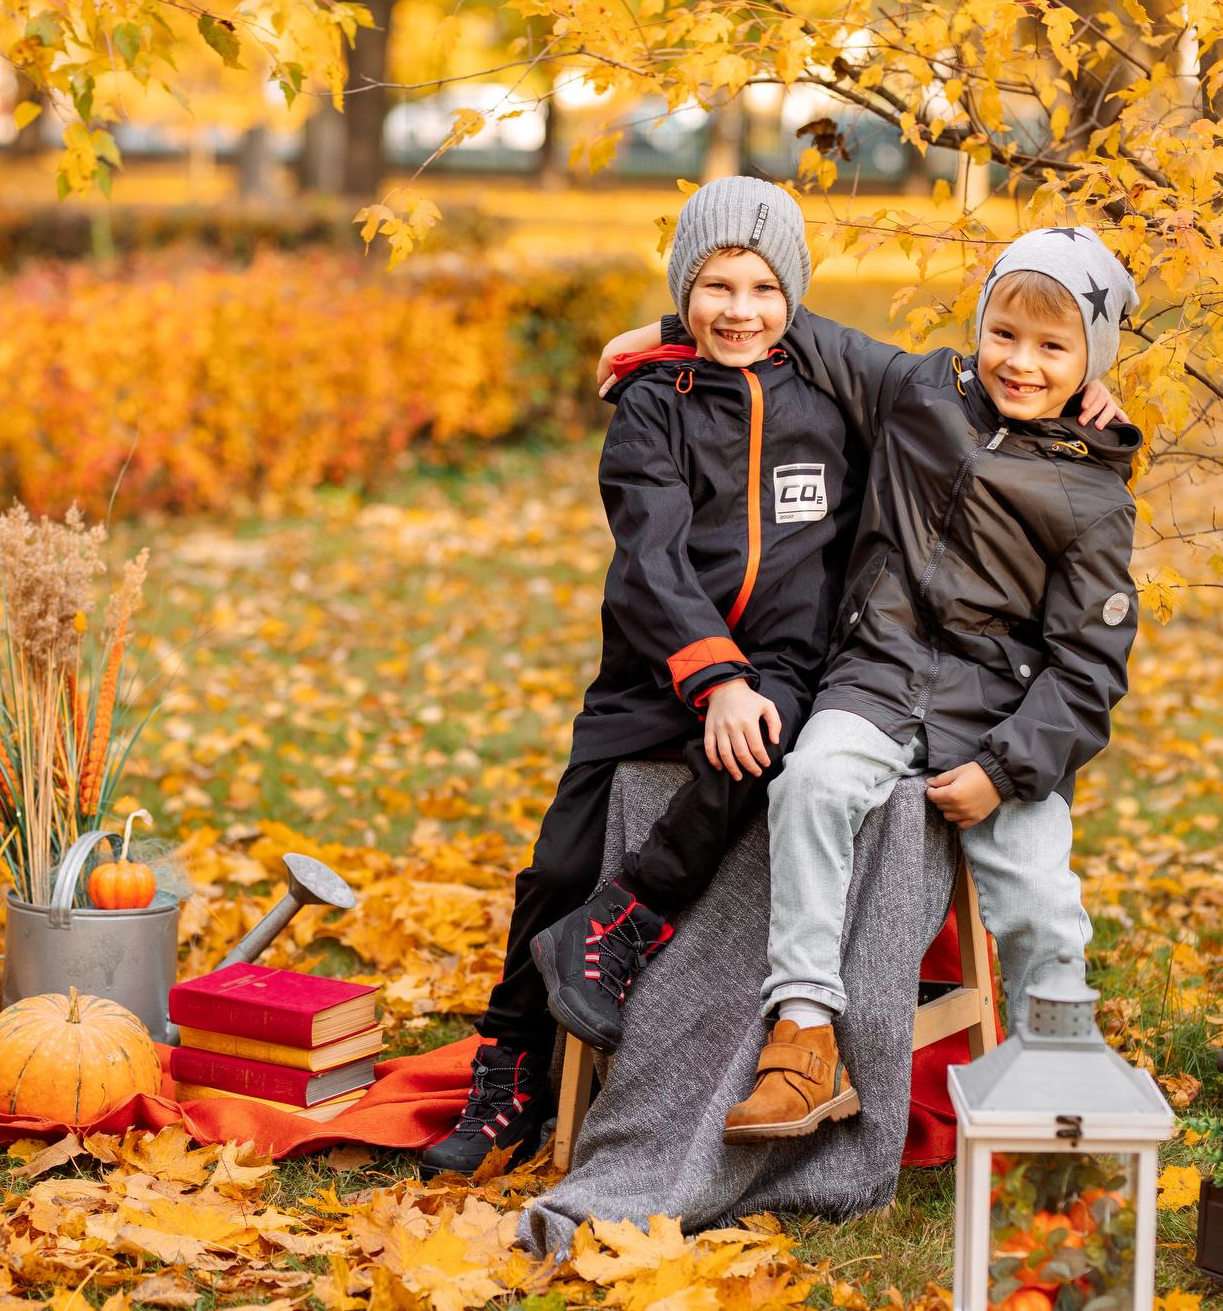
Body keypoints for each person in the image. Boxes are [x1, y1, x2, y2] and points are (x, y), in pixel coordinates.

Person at [419, 176, 864, 1177]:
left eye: (760, 286)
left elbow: (949, 391)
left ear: (792, 294)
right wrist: (709, 676)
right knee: (558, 862)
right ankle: (510, 1070)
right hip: (654, 667)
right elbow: (649, 558)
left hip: (786, 669)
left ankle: (627, 921)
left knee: (760, 744)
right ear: (683, 289)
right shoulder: (648, 408)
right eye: (713, 286)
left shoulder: (831, 403)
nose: (738, 309)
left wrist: (1085, 392)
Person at [713, 226, 1145, 1143]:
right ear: (979, 324)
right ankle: (804, 1034)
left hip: (1001, 721)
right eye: (1004, 334)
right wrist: (660, 332)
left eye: (1052, 347)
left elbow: (1087, 669)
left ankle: (1054, 1092)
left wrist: (1006, 770)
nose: (1019, 363)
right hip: (876, 675)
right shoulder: (919, 391)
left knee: (1040, 904)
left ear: (1091, 363)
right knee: (812, 782)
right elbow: (791, 324)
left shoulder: (1094, 500)